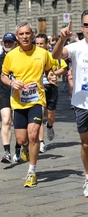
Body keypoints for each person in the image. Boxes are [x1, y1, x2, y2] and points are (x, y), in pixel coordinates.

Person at [1, 22, 55, 187]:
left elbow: (49, 69)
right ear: (17, 37)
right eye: (21, 34)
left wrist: (51, 76)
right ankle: (24, 147)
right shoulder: (11, 56)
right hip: (18, 102)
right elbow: (3, 75)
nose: (24, 36)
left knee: (33, 135)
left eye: (27, 33)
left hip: (37, 100)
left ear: (32, 34)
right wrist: (11, 83)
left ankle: (32, 171)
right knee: (21, 138)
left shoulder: (42, 53)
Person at [52, 11, 88, 197]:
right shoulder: (76, 47)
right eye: (86, 25)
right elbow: (56, 55)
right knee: (86, 145)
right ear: (82, 27)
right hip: (82, 104)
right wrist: (61, 39)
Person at [0, 32, 21, 163]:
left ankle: (18, 149)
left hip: (19, 94)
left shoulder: (21, 57)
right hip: (3, 92)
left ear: (15, 43)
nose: (8, 44)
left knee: (19, 124)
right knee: (6, 120)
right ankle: (7, 152)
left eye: (10, 42)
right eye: (5, 42)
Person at [35, 33, 67, 153]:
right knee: (40, 115)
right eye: (37, 43)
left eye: (41, 43)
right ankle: (41, 142)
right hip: (38, 88)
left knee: (50, 116)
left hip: (51, 87)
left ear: (46, 44)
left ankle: (50, 125)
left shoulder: (52, 55)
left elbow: (64, 68)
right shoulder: (31, 55)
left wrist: (54, 74)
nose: (39, 46)